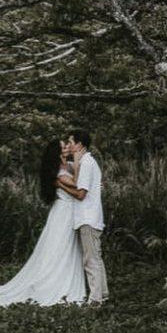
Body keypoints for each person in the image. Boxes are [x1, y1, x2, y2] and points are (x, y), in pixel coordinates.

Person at [0, 139, 86, 306]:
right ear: (57, 153)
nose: (67, 147)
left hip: (67, 211)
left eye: (67, 144)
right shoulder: (59, 171)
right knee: (58, 247)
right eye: (64, 146)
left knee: (65, 247)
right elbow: (77, 183)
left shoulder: (67, 167)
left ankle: (65, 276)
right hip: (64, 213)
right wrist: (78, 160)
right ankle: (53, 281)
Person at [60, 129, 108, 305]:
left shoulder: (87, 163)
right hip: (91, 217)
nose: (69, 145)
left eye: (71, 142)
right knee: (96, 257)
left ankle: (95, 299)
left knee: (91, 260)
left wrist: (61, 186)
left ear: (80, 144)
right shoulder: (87, 162)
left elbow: (81, 194)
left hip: (88, 217)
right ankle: (102, 293)